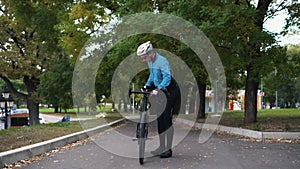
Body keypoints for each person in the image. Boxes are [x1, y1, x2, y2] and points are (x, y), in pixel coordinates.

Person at [137, 41, 180, 158]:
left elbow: (167, 78)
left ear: (150, 53)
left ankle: (168, 149)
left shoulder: (162, 61)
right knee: (160, 120)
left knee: (167, 120)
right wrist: (147, 85)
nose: (143, 60)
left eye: (144, 57)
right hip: (159, 92)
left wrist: (158, 88)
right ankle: (161, 147)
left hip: (170, 92)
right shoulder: (150, 62)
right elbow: (152, 75)